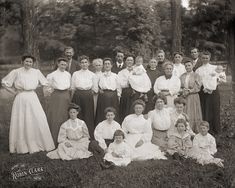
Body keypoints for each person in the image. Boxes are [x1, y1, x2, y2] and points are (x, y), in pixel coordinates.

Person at [1, 55, 55, 153]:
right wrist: (14, 92)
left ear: (33, 63)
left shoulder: (36, 72)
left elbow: (46, 83)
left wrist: (47, 90)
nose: (28, 63)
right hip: (21, 98)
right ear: (22, 62)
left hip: (32, 97)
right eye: (26, 61)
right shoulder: (16, 72)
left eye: (30, 62)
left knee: (37, 118)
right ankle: (22, 146)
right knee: (22, 119)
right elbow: (4, 83)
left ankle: (38, 142)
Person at [195, 51, 225, 134]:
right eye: (203, 58)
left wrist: (215, 83)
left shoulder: (215, 67)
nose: (205, 59)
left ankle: (216, 129)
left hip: (213, 92)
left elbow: (222, 78)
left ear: (209, 58)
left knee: (214, 109)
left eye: (206, 58)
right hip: (203, 92)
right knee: (205, 109)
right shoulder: (198, 70)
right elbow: (197, 81)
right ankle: (206, 129)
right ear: (201, 58)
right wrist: (202, 87)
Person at [46, 57, 71, 145]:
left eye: (65, 64)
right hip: (56, 96)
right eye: (61, 64)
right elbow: (47, 87)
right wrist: (51, 94)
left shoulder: (68, 74)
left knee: (65, 115)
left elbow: (69, 86)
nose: (63, 66)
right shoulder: (52, 75)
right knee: (56, 117)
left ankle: (66, 138)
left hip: (66, 96)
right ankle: (54, 138)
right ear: (58, 64)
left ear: (67, 65)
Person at [71, 55, 96, 138]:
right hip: (78, 95)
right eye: (82, 62)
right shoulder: (75, 74)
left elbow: (94, 88)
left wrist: (88, 94)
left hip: (88, 95)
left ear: (89, 63)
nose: (84, 64)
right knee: (78, 114)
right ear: (79, 64)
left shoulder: (92, 74)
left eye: (86, 62)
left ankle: (88, 135)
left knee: (88, 115)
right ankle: (77, 135)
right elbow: (73, 87)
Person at [95, 58, 121, 124]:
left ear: (111, 65)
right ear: (103, 65)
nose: (107, 65)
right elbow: (95, 85)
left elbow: (118, 87)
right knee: (102, 113)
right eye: (105, 64)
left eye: (108, 64)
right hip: (103, 96)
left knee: (113, 112)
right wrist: (98, 90)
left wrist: (118, 96)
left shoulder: (115, 76)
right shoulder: (100, 75)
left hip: (113, 96)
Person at [180, 60, 202, 133]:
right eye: (186, 66)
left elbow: (198, 87)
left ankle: (194, 129)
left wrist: (190, 91)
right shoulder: (182, 76)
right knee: (185, 112)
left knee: (193, 112)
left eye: (189, 65)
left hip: (193, 96)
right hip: (184, 96)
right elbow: (179, 86)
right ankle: (185, 129)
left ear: (192, 66)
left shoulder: (196, 75)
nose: (187, 67)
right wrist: (183, 91)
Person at [118, 55, 134, 122]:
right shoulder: (121, 72)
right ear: (125, 62)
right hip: (125, 93)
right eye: (128, 60)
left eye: (131, 60)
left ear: (133, 62)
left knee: (133, 109)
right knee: (125, 110)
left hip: (135, 93)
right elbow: (120, 83)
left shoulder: (137, 71)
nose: (129, 61)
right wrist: (128, 82)